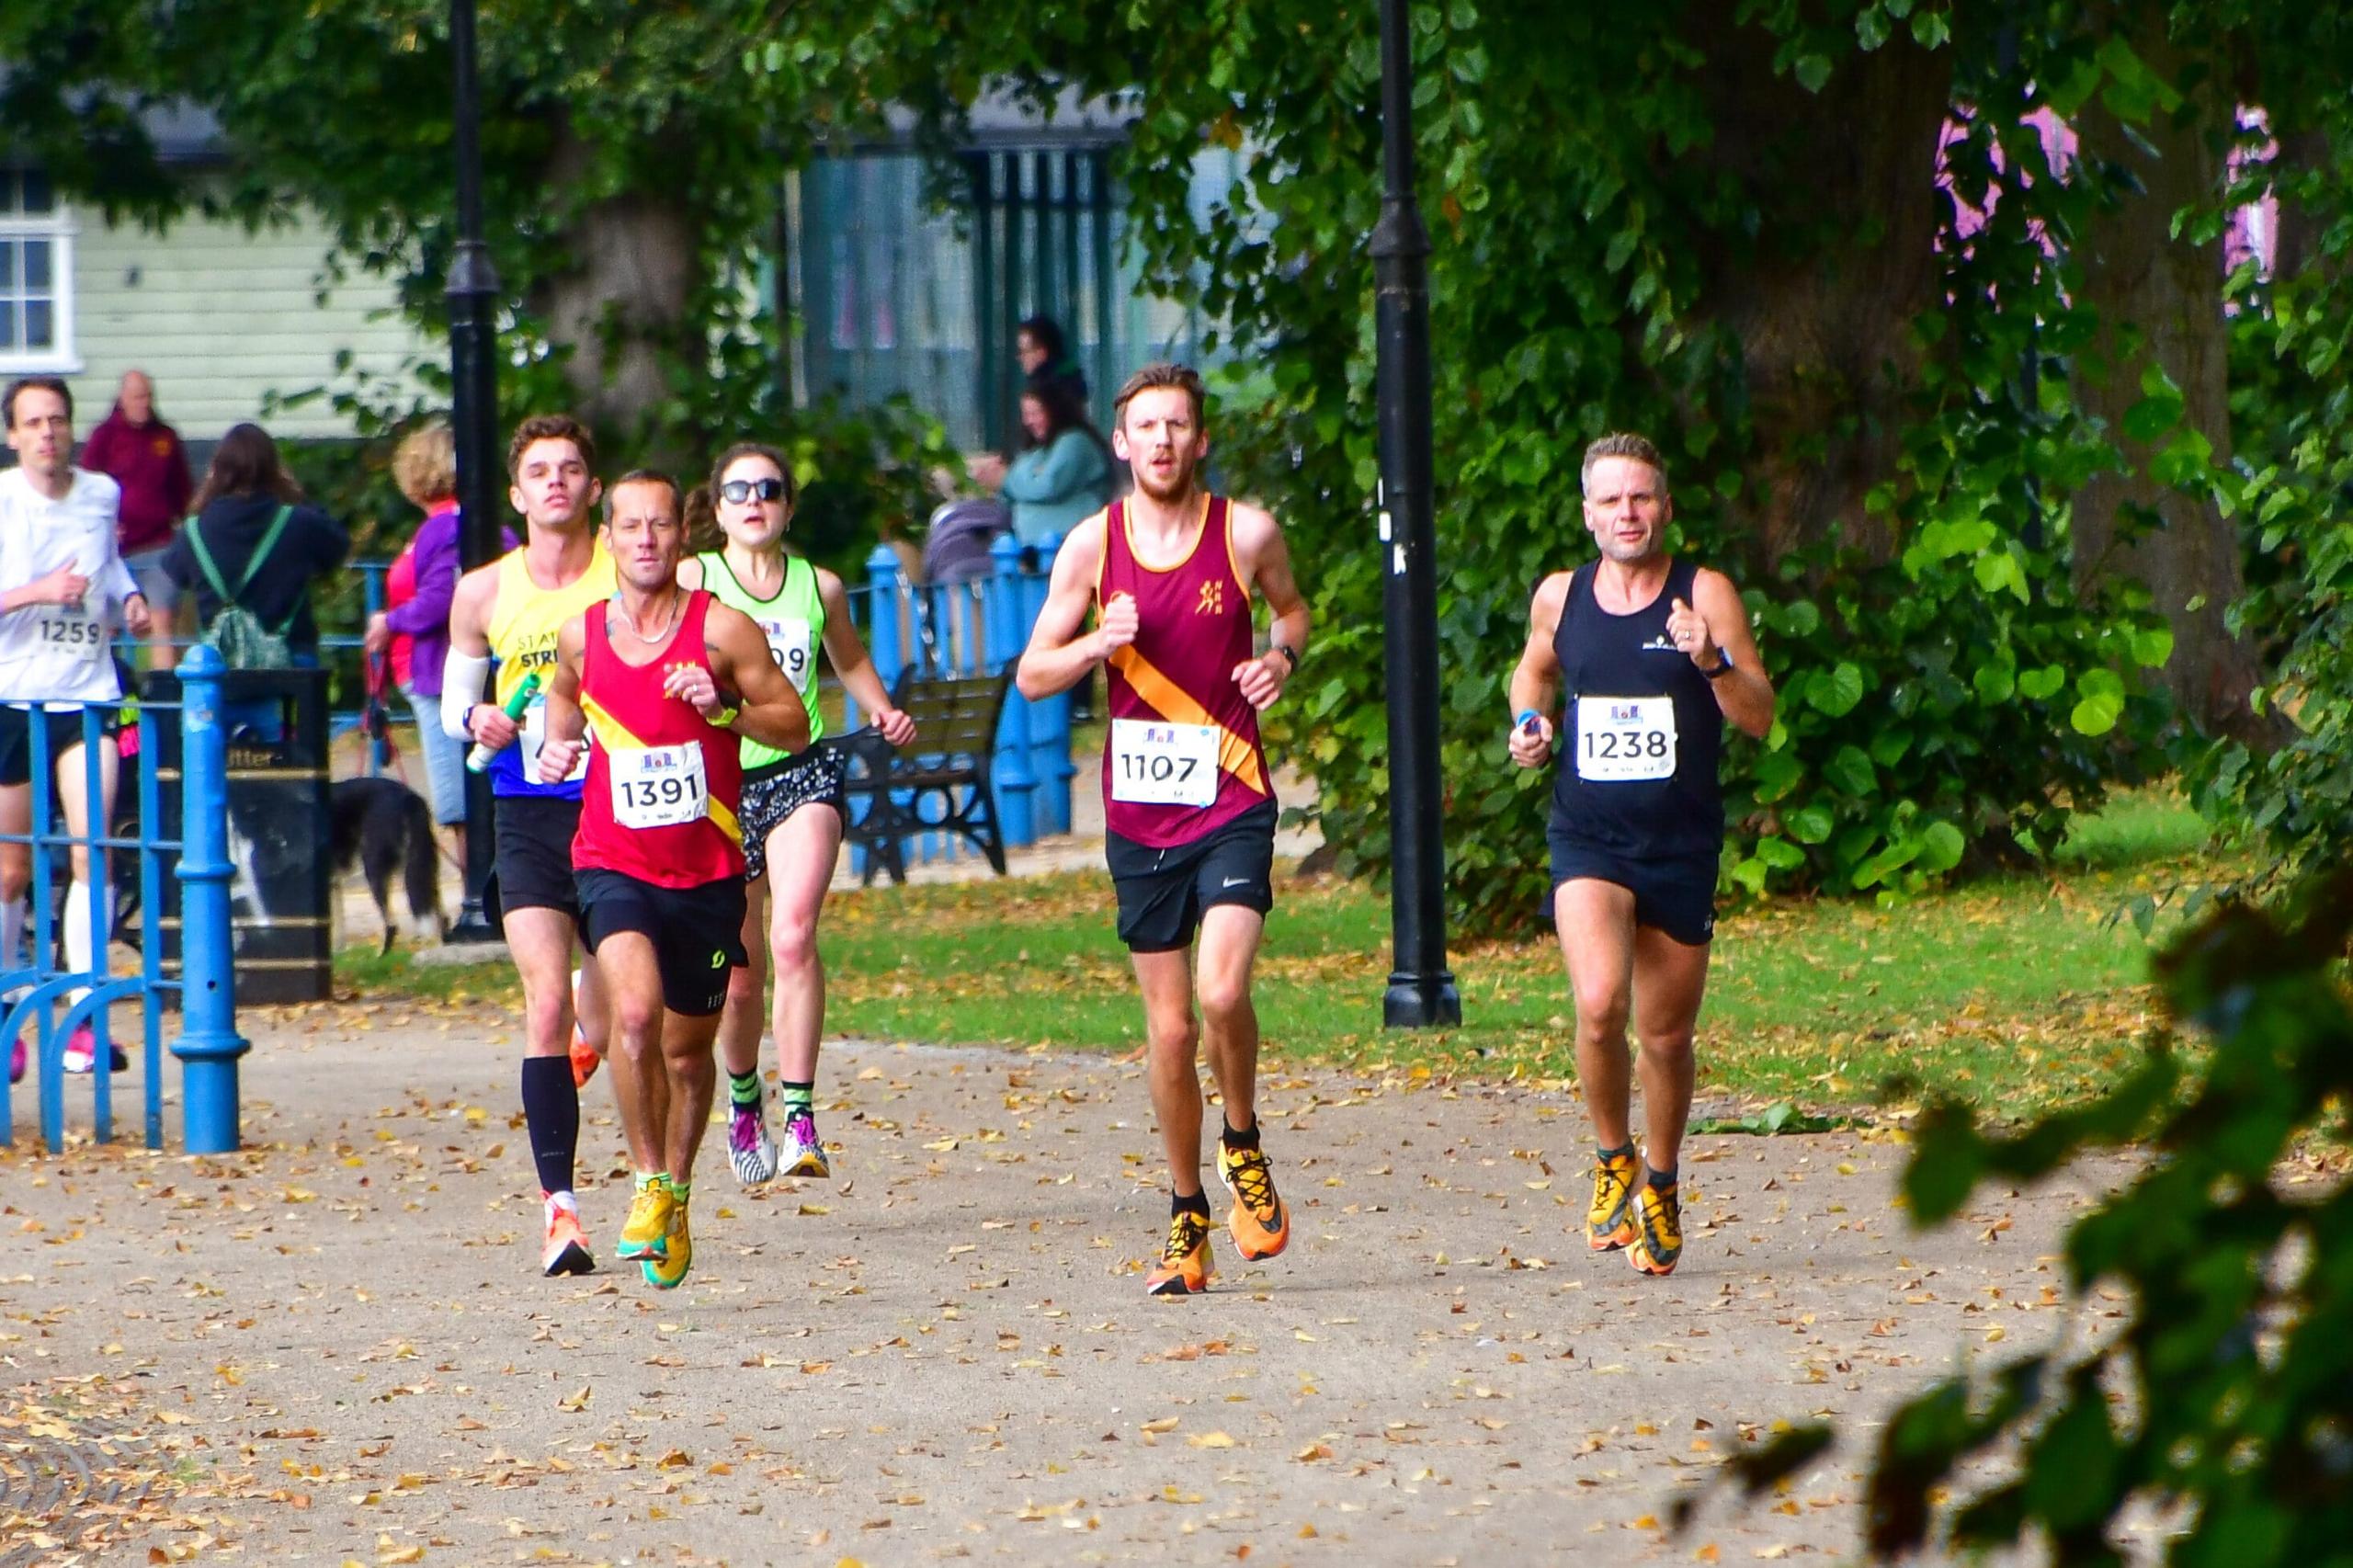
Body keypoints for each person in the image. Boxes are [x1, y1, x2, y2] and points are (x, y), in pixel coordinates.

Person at [1015, 362, 1311, 1298]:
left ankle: (1242, 1141)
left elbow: (1294, 610)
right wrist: (1095, 645)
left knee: (1222, 994)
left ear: (1200, 438)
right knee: (1172, 1027)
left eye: (1178, 425)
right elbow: (1030, 674)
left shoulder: (1246, 532)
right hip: (1140, 814)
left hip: (1230, 795)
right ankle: (1187, 1212)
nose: (1163, 441)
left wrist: (1279, 657)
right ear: (1120, 440)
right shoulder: (1090, 547)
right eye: (1146, 426)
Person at [1506, 432, 1775, 1278]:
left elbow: (1759, 716)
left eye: (1642, 498)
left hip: (1680, 844)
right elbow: (1533, 674)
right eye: (1611, 500)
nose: (1628, 513)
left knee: (1663, 1036)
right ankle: (1612, 1153)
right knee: (1597, 1003)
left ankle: (1660, 1179)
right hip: (1587, 834)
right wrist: (1528, 726)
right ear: (1588, 514)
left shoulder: (1706, 594)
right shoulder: (1561, 595)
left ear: (1666, 507)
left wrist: (1711, 658)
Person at [535, 470, 810, 1289]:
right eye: (631, 526)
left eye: (660, 525)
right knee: (632, 1013)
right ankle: (650, 1179)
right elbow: (561, 697)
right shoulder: (584, 633)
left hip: (708, 870)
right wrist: (556, 746)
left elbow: (794, 725)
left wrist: (724, 709)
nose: (646, 539)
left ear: (680, 538)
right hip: (613, 861)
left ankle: (678, 1193)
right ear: (609, 538)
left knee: (691, 1061)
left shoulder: (725, 631)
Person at [675, 443, 916, 1187]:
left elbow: (847, 660)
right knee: (740, 977)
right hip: (719, 787)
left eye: (769, 489)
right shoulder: (694, 580)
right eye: (738, 489)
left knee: (795, 932)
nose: (755, 500)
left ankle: (803, 1116)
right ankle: (745, 1095)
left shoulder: (820, 586)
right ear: (716, 510)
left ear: (787, 506)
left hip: (799, 773)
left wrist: (881, 711)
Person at [439, 414, 617, 1278]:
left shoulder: (633, 572)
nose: (555, 482)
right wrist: (478, 718)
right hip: (528, 809)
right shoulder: (482, 591)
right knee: (544, 1003)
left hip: (624, 809)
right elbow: (449, 705)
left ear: (592, 487)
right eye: (539, 471)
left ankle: (595, 1028)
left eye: (571, 469)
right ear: (517, 494)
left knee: (626, 1008)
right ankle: (562, 1214)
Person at [0, 376, 153, 1081]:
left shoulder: (100, 494)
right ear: (13, 435)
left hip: (88, 694)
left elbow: (109, 561)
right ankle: (9, 1022)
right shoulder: (3, 500)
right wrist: (37, 592)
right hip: (14, 696)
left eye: (57, 420)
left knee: (95, 853)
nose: (48, 434)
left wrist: (131, 596)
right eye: (33, 423)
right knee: (9, 870)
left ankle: (86, 1022)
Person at [364, 420, 508, 866]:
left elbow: (443, 597)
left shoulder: (445, 528)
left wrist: (391, 620)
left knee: (459, 802)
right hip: (441, 673)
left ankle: (475, 898)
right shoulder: (457, 525)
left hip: (443, 674)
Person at [162, 423, 349, 665]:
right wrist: (295, 493)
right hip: (292, 665)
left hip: (220, 671)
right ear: (274, 469)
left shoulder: (194, 531)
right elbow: (337, 547)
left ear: (217, 469)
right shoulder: (298, 522)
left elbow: (176, 574)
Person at [77, 370, 190, 668]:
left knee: (161, 620)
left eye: (149, 397)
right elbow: (85, 489)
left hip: (158, 546)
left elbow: (182, 491)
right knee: (108, 625)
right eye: (138, 397)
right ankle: (114, 700)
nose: (145, 403)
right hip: (115, 550)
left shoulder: (165, 437)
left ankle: (164, 696)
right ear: (123, 398)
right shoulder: (104, 437)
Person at [965, 380, 1113, 547]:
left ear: (1056, 411)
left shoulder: (1075, 442)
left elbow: (1047, 486)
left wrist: (1006, 479)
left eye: (1036, 413)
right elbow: (1022, 483)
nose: (1029, 421)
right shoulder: (1038, 450)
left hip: (1070, 543)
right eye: (1026, 414)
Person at [1016, 314, 1089, 409]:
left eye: (1023, 351)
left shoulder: (1049, 392)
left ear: (1042, 352)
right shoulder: (1070, 378)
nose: (1019, 357)